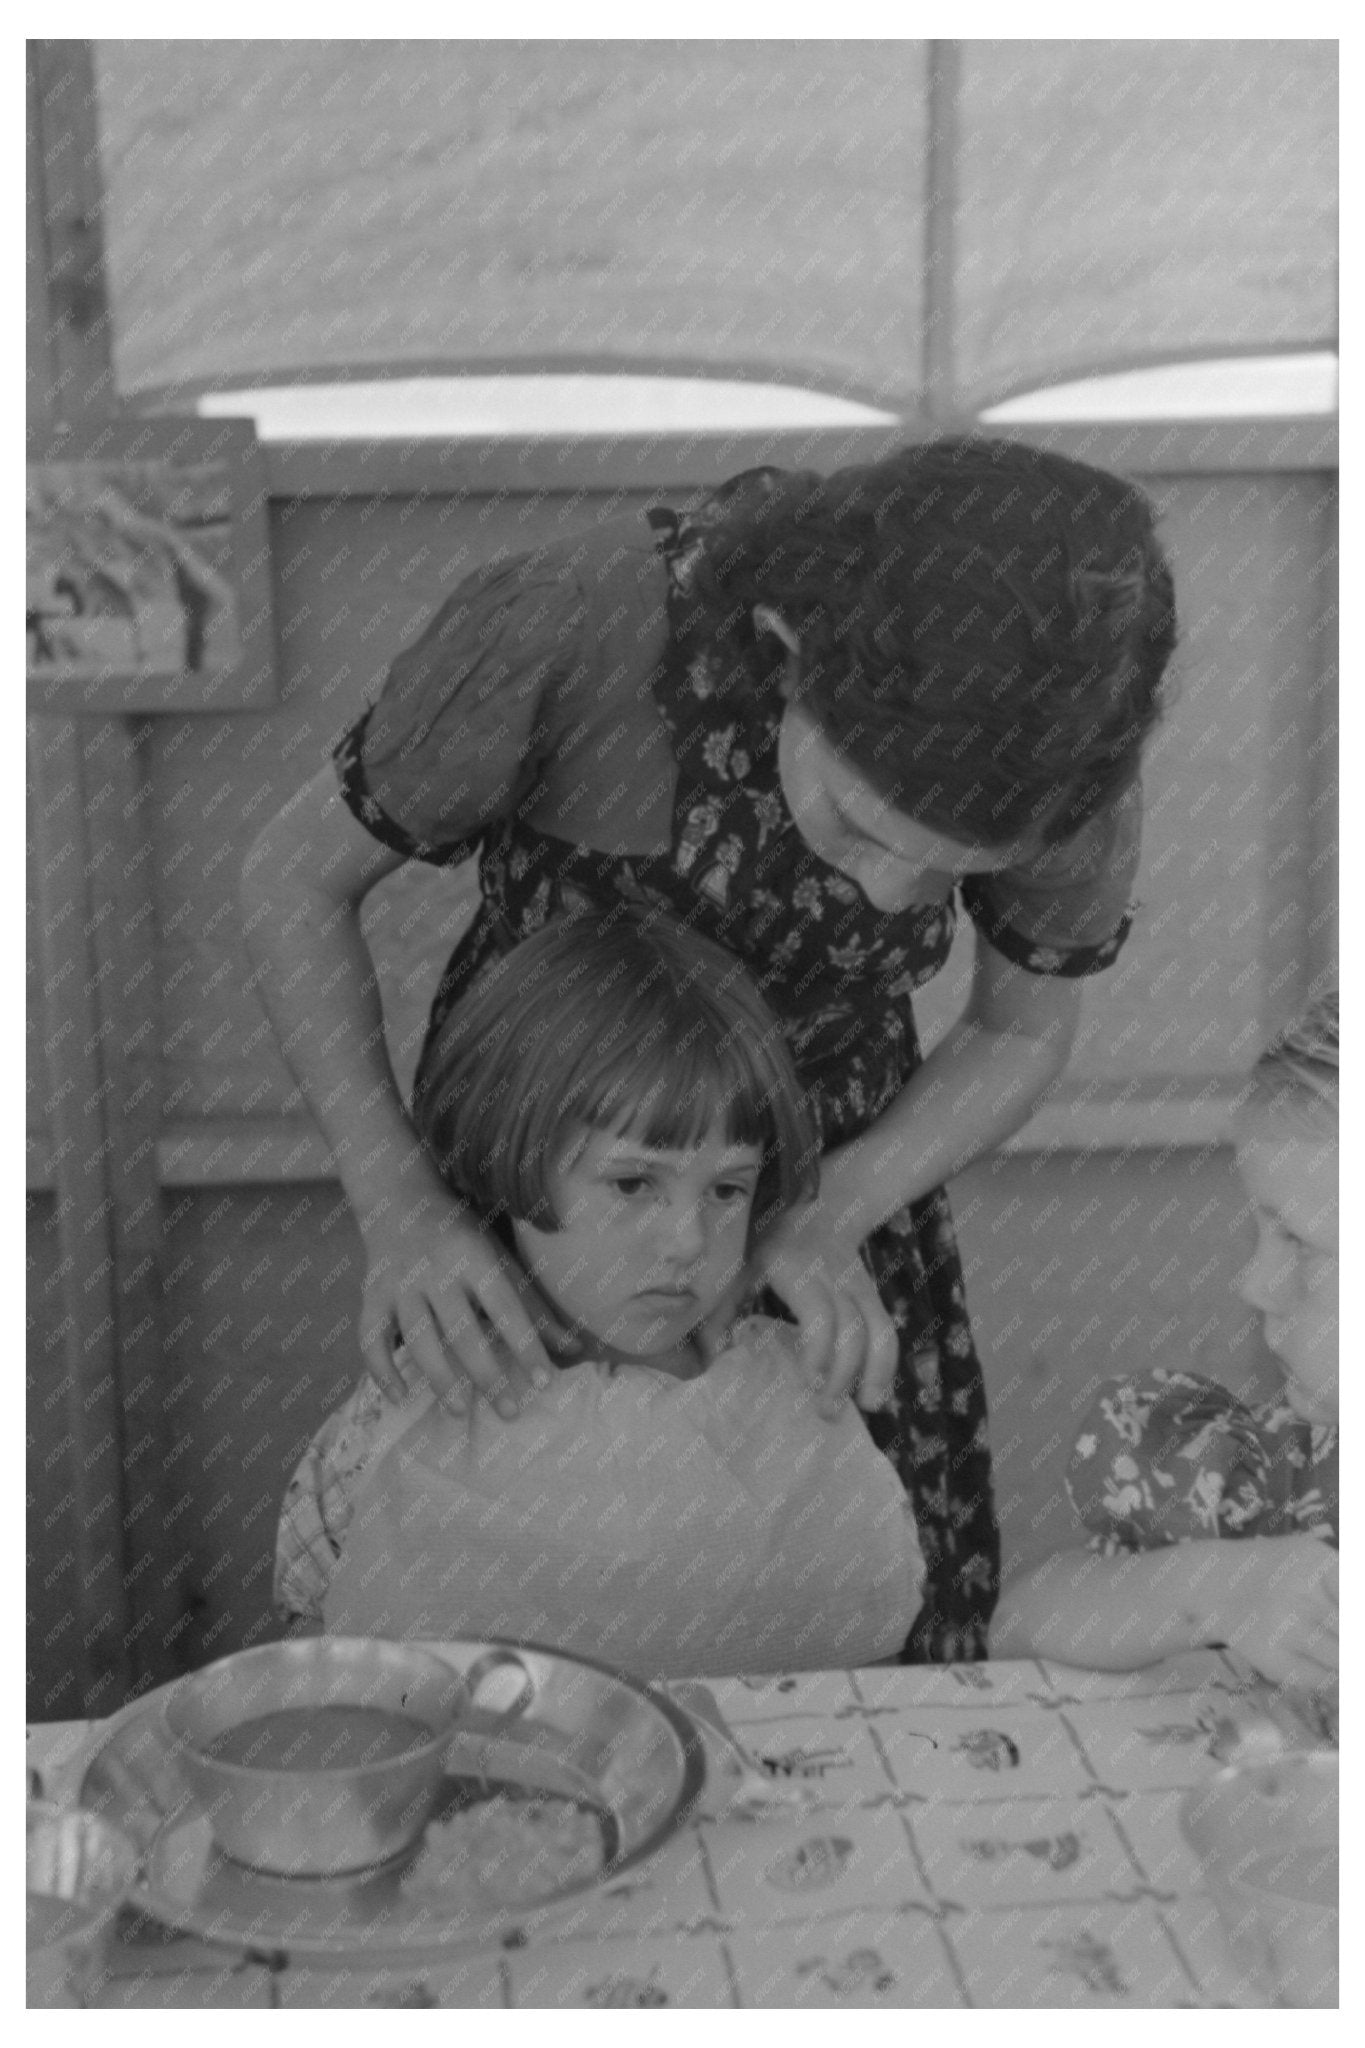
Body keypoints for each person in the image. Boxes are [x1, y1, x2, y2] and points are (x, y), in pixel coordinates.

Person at [244, 434, 1178, 1660]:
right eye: (860, 822)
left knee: (845, 1602)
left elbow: (1018, 1026)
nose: (899, 897)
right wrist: (399, 1205)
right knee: (507, 1579)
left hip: (829, 1188)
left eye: (954, 872)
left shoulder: (1058, 745)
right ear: (790, 650)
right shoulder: (577, 626)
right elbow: (288, 882)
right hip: (569, 1174)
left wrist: (827, 1207)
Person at [275, 909, 925, 1677]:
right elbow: (303, 1640)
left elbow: (864, 1643)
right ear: (502, 1147)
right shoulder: (405, 1410)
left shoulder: (800, 1393)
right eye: (632, 1182)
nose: (688, 1240)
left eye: (725, 1190)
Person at [991, 991, 1338, 1686]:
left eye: (1296, 1243)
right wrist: (1213, 1590)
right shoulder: (1290, 1464)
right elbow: (1019, 1627)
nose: (1252, 1281)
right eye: (1258, 1232)